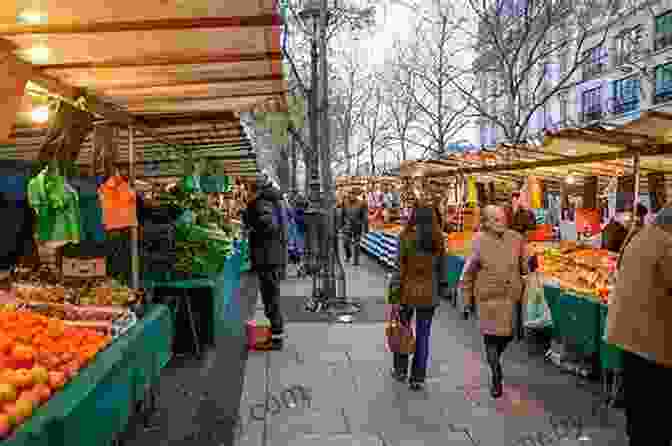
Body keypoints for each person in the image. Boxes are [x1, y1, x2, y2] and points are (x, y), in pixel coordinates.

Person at [606, 202, 672, 446]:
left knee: (638, 415)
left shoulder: (640, 237)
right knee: (655, 421)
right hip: (654, 345)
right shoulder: (667, 245)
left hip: (630, 339)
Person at [460, 205, 528, 398]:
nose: (501, 223)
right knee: (491, 339)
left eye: (503, 218)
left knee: (506, 337)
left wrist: (530, 265)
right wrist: (465, 301)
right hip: (488, 301)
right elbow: (468, 273)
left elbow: (524, 267)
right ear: (486, 223)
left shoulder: (516, 238)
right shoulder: (479, 241)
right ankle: (496, 375)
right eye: (496, 220)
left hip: (510, 299)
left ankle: (495, 361)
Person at [390, 200, 444, 391]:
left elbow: (398, 269)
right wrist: (440, 289)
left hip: (406, 292)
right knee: (423, 335)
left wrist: (393, 295)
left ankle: (400, 370)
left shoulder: (405, 237)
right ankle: (418, 377)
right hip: (429, 295)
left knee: (403, 331)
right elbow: (441, 269)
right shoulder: (438, 238)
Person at [242, 171, 288, 343]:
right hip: (271, 254)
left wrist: (252, 227)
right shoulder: (271, 199)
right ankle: (276, 331)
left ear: (256, 189)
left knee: (270, 294)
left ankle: (276, 333)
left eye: (248, 189)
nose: (246, 192)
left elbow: (268, 224)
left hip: (267, 255)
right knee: (271, 293)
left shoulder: (262, 202)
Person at [339, 188, 368, 266]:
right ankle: (348, 255)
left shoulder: (362, 203)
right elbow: (342, 214)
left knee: (356, 244)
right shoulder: (345, 202)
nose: (351, 195)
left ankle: (356, 260)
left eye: (353, 194)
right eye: (350, 194)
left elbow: (365, 216)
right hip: (347, 226)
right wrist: (340, 225)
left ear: (356, 195)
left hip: (357, 226)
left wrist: (366, 228)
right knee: (345, 242)